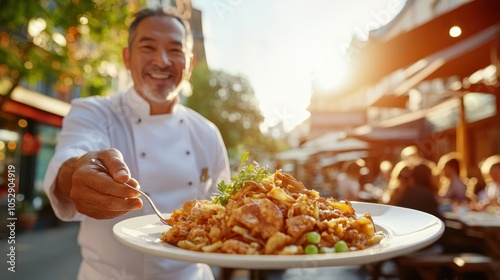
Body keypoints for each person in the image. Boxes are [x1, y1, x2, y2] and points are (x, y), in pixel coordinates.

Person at [43, 7, 230, 280]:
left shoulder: (207, 133)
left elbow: (221, 213)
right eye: (148, 47)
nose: (162, 60)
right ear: (127, 58)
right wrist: (76, 173)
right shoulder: (94, 112)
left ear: (189, 64)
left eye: (175, 50)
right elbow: (74, 153)